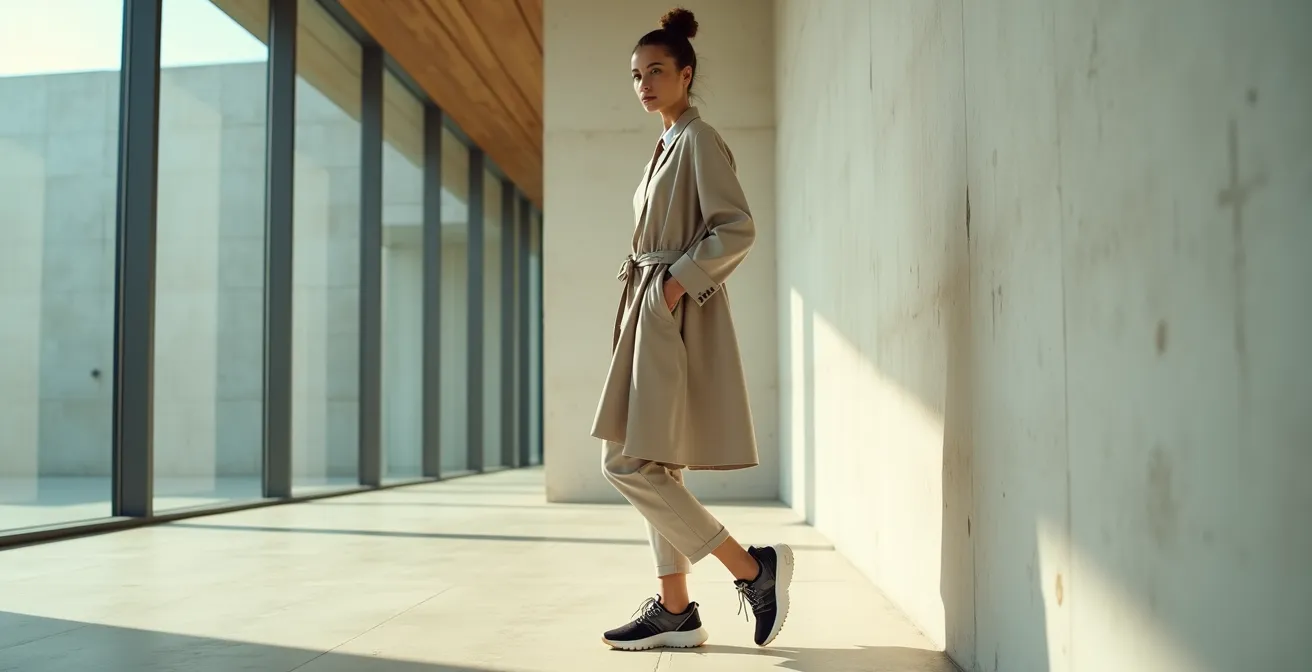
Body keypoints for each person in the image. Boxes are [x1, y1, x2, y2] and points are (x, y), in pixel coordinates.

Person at [591, 7, 793, 652]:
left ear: (686, 73)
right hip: (650, 304)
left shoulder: (699, 139)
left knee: (624, 459)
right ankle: (675, 610)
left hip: (668, 306)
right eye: (635, 74)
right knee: (654, 461)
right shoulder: (666, 143)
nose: (644, 83)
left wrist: (675, 285)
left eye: (656, 71)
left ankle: (750, 568)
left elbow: (736, 226)